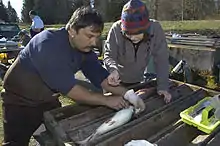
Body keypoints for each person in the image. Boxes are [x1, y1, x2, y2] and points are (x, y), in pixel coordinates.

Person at [1, 7, 145, 146]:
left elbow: (100, 76)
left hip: (47, 100)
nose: (94, 42)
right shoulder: (47, 44)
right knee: (15, 143)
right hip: (19, 102)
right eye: (89, 36)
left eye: (97, 37)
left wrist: (128, 94)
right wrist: (107, 100)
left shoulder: (84, 50)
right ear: (72, 30)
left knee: (56, 137)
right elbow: (71, 90)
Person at [103, 0, 172, 103]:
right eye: (128, 33)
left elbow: (161, 60)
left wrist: (163, 87)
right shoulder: (115, 30)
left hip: (138, 82)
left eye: (136, 33)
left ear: (146, 29)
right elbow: (109, 55)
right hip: (115, 83)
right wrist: (113, 70)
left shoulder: (155, 29)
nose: (132, 37)